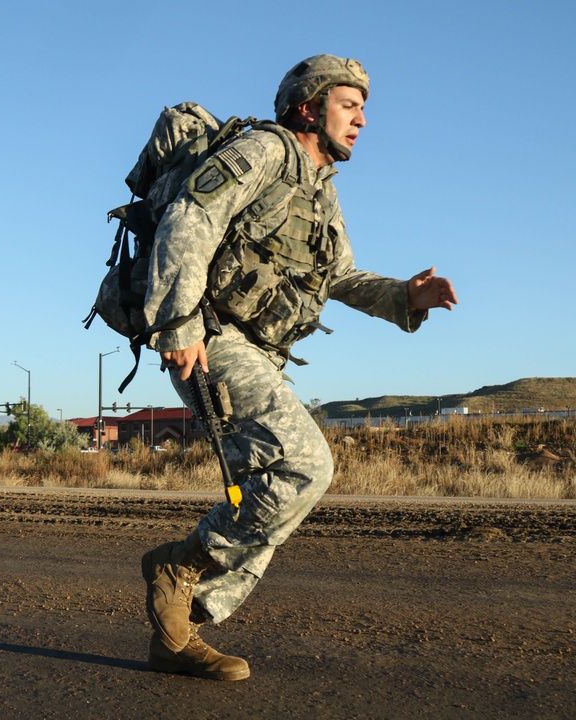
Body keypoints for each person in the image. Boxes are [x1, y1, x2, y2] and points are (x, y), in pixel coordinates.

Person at [139, 54, 458, 682]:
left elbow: (339, 275)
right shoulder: (262, 151)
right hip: (212, 339)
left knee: (285, 488)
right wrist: (178, 322)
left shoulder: (320, 189)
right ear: (309, 106)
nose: (362, 119)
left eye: (364, 108)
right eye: (350, 104)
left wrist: (403, 296)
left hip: (259, 352)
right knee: (308, 463)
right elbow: (189, 218)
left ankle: (183, 625)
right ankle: (181, 567)